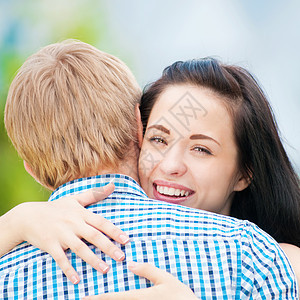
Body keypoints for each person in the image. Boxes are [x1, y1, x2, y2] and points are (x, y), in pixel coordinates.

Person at [0, 41, 298, 299]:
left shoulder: (272, 259)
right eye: (159, 139)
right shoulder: (251, 254)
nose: (169, 165)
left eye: (201, 149)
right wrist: (16, 222)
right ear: (139, 130)